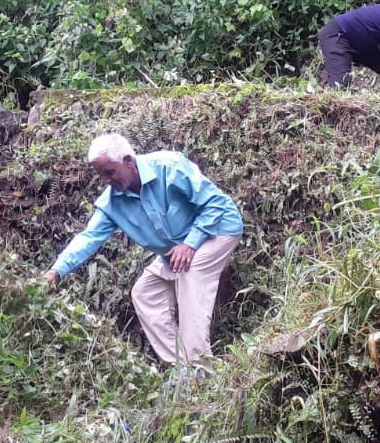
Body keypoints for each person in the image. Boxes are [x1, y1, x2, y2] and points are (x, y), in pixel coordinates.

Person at [44, 134, 243, 372]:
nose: (106, 180)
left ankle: (202, 368)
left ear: (128, 161)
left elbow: (215, 204)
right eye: (101, 176)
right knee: (146, 293)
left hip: (219, 229)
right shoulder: (112, 203)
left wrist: (190, 244)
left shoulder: (169, 167)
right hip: (177, 248)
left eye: (110, 172)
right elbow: (88, 237)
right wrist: (57, 270)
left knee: (190, 273)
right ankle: (184, 369)